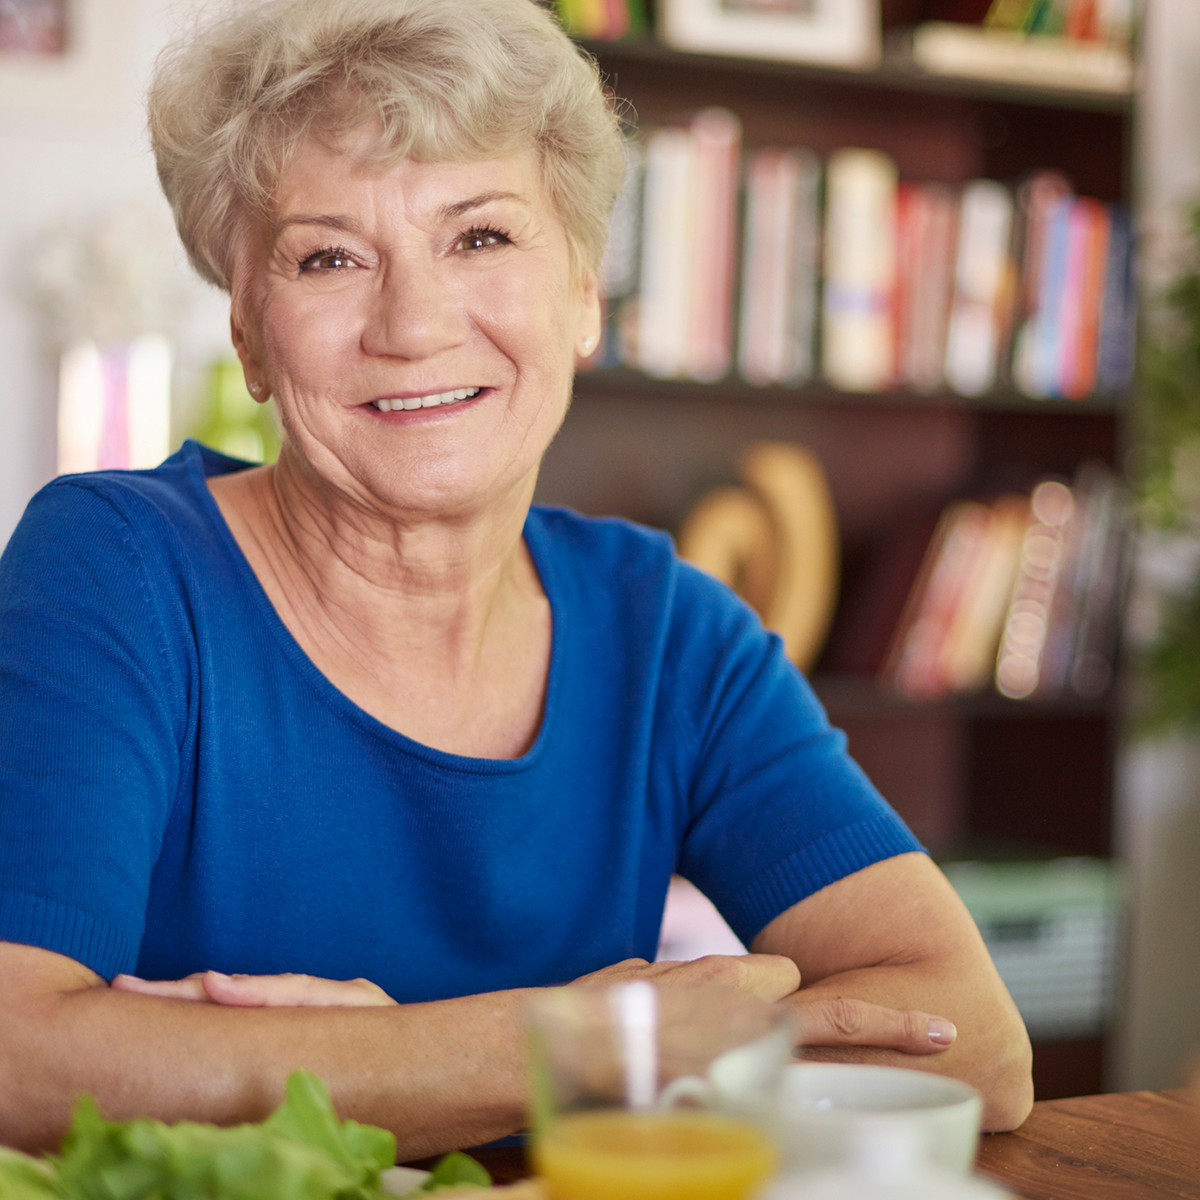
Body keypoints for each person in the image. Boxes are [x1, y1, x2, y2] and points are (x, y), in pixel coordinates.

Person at [0, 0, 1032, 1157]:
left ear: (585, 294)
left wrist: (343, 1066)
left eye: (481, 237)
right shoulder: (117, 572)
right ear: (248, 334)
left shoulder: (670, 634)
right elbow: (16, 1058)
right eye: (329, 256)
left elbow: (976, 1045)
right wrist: (551, 1046)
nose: (415, 321)